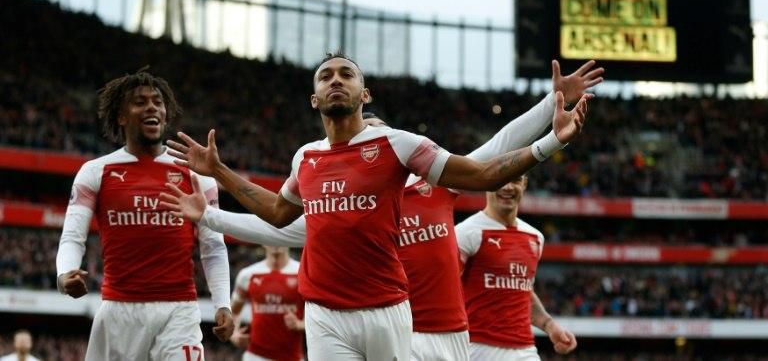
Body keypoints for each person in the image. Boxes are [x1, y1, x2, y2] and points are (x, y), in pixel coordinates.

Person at [161, 53, 591, 360]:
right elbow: (275, 220)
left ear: (366, 96)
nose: (335, 80)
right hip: (332, 314)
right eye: (325, 75)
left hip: (420, 325)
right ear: (314, 98)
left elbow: (493, 158)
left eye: (346, 74)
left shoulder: (423, 174)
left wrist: (551, 130)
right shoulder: (311, 166)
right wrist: (215, 190)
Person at [55, 70, 234, 361]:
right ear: (121, 117)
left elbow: (213, 245)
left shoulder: (196, 174)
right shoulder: (96, 172)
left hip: (179, 310)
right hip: (119, 312)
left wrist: (222, 303)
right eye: (140, 102)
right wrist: (65, 274)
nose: (152, 107)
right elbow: (73, 237)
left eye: (157, 102)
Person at [456, 175, 577, 360]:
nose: (508, 187)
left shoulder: (535, 237)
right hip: (478, 349)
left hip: (524, 350)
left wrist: (549, 325)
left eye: (516, 180)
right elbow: (443, 289)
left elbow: (523, 292)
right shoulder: (465, 233)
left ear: (525, 184)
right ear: (487, 181)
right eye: (501, 179)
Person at [230, 245, 304, 361]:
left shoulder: (302, 273)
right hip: (255, 356)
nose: (276, 242)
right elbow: (233, 312)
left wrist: (300, 325)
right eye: (272, 236)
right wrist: (234, 334)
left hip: (292, 356)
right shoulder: (247, 275)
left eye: (280, 236)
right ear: (263, 242)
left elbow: (319, 315)